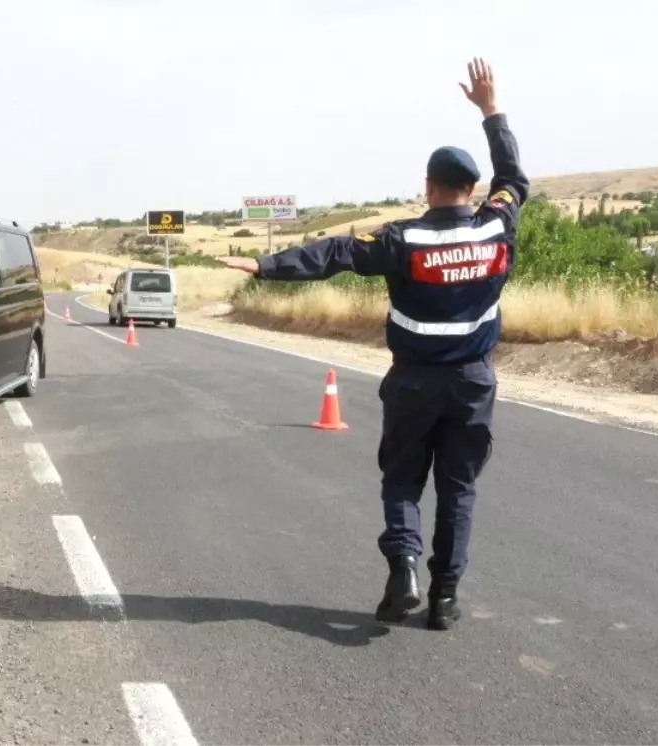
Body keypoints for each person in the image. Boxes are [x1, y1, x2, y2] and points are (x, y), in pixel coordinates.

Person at [216, 58, 529, 631]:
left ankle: (403, 566)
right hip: (473, 385)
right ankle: (445, 598)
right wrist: (490, 109)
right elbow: (516, 180)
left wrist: (265, 264)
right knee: (458, 489)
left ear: (430, 188)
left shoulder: (402, 239)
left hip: (412, 383)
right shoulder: (495, 227)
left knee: (403, 479)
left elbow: (332, 253)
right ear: (472, 190)